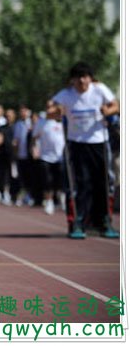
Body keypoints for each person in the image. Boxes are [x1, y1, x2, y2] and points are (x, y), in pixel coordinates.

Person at [51, 62, 119, 238]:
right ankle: (77, 223)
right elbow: (50, 109)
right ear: (72, 80)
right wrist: (57, 111)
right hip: (76, 143)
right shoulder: (67, 94)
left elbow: (116, 106)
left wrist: (108, 110)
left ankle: (104, 223)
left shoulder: (99, 90)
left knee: (103, 182)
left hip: (98, 142)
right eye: (78, 77)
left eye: (85, 77)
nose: (82, 81)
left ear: (91, 78)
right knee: (79, 184)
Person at [31, 101, 65, 215]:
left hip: (60, 157)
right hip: (45, 156)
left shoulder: (63, 122)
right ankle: (49, 201)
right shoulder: (41, 122)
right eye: (47, 107)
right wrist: (34, 149)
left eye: (51, 107)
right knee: (47, 180)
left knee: (60, 179)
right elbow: (34, 138)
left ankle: (60, 197)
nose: (48, 109)